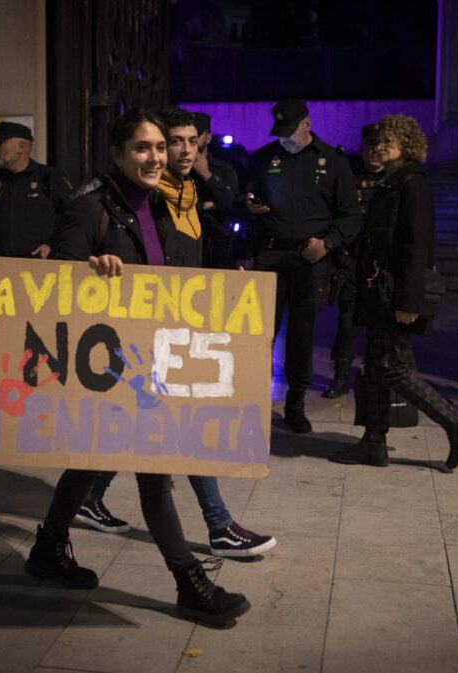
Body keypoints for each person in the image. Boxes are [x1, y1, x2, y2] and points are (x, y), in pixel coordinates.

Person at [26, 108, 249, 628]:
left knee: (88, 461)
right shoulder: (90, 208)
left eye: (159, 148)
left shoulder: (157, 206)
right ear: (118, 155)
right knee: (154, 475)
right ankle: (189, 581)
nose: (155, 157)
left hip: (148, 358)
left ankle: (48, 548)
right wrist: (90, 268)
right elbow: (53, 285)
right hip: (108, 363)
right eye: (143, 148)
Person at [75, 107, 275, 560]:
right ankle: (219, 525)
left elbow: (192, 255)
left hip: (180, 323)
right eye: (168, 143)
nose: (177, 152)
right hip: (144, 330)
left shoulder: (186, 191)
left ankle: (84, 499)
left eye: (186, 143)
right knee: (176, 425)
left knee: (142, 425)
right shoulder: (145, 197)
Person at [329, 115, 458, 470]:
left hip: (396, 293)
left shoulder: (412, 183)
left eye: (390, 141)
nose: (380, 146)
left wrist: (409, 302)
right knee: (374, 368)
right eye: (378, 141)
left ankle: (457, 422)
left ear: (408, 144)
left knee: (391, 367)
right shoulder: (390, 182)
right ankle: (373, 442)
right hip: (378, 291)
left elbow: (417, 246)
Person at [245, 98, 361, 432]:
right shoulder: (264, 158)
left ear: (307, 123)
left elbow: (351, 216)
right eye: (279, 131)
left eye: (290, 130)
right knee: (261, 331)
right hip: (269, 256)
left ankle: (295, 402)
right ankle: (254, 400)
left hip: (311, 260)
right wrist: (249, 204)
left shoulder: (333, 162)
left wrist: (327, 244)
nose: (285, 138)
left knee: (301, 332)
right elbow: (248, 195)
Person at [322, 124, 384, 399]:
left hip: (381, 264)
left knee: (379, 325)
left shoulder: (396, 179)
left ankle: (376, 377)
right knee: (347, 322)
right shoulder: (349, 176)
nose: (374, 151)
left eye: (379, 145)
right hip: (352, 260)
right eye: (370, 145)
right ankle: (340, 377)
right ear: (362, 147)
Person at [0, 121, 72, 259]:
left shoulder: (49, 177)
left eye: (1, 143)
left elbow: (72, 217)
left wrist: (51, 245)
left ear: (21, 147)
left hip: (39, 265)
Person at [189, 111, 240, 269]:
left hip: (217, 243)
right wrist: (208, 205)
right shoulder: (181, 170)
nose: (192, 141)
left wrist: (206, 174)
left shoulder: (223, 169)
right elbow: (178, 205)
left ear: (208, 137)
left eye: (196, 136)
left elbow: (231, 202)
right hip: (187, 241)